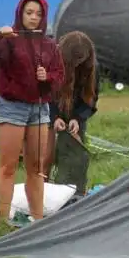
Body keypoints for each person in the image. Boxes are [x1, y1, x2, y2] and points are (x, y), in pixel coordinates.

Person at [0, 0, 64, 222]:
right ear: (20, 13)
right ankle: (3, 223)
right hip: (12, 107)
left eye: (39, 14)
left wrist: (47, 77)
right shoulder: (9, 38)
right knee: (8, 166)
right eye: (29, 13)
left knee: (36, 170)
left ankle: (37, 221)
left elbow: (59, 77)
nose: (34, 18)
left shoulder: (50, 45)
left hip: (39, 109)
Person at [43, 31, 101, 180]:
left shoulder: (92, 67)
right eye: (73, 60)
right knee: (45, 158)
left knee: (74, 157)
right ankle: (41, 192)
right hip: (48, 111)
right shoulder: (50, 61)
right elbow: (44, 94)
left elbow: (91, 98)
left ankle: (71, 191)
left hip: (75, 115)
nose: (77, 63)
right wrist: (54, 117)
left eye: (81, 59)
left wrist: (78, 118)